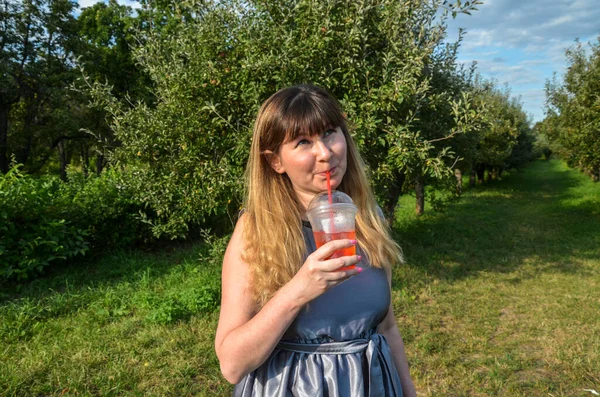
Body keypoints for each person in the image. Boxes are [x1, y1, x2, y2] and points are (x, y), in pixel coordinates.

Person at [215, 84, 416, 397]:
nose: (325, 153)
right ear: (275, 161)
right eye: (303, 142)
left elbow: (387, 327)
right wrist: (299, 289)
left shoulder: (367, 217)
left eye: (330, 133)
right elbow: (231, 364)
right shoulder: (256, 230)